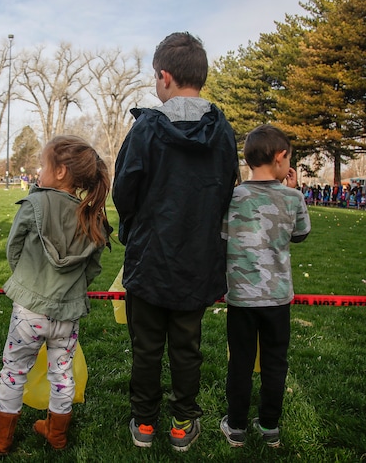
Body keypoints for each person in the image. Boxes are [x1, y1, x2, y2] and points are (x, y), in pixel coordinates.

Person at [113, 32, 239, 452]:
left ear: (164, 77)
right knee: (186, 347)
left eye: (154, 76)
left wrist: (136, 225)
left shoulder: (150, 129)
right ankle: (175, 421)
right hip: (193, 259)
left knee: (148, 347)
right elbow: (225, 190)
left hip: (154, 257)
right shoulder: (222, 132)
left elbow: (123, 190)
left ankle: (150, 422)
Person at [0, 135, 112, 455]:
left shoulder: (35, 203)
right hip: (67, 316)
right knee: (62, 373)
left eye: (43, 165)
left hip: (29, 311)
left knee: (14, 371)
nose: (39, 170)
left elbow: (14, 247)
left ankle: (1, 438)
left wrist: (26, 279)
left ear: (61, 172)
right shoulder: (94, 215)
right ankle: (57, 434)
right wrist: (71, 288)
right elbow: (92, 268)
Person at [219, 125, 311, 449]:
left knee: (240, 362)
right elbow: (300, 234)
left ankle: (236, 426)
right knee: (275, 362)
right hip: (277, 298)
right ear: (281, 157)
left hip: (242, 298)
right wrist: (293, 190)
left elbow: (222, 237)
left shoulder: (231, 197)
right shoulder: (293, 198)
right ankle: (270, 425)